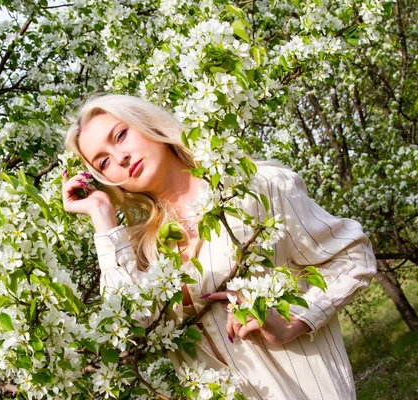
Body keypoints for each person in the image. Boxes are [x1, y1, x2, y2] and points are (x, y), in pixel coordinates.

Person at [62, 94, 377, 399]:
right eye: (103, 163)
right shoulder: (143, 253)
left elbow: (353, 257)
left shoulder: (257, 189)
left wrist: (295, 319)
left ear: (147, 123)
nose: (120, 158)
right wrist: (101, 216)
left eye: (120, 136)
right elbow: (127, 328)